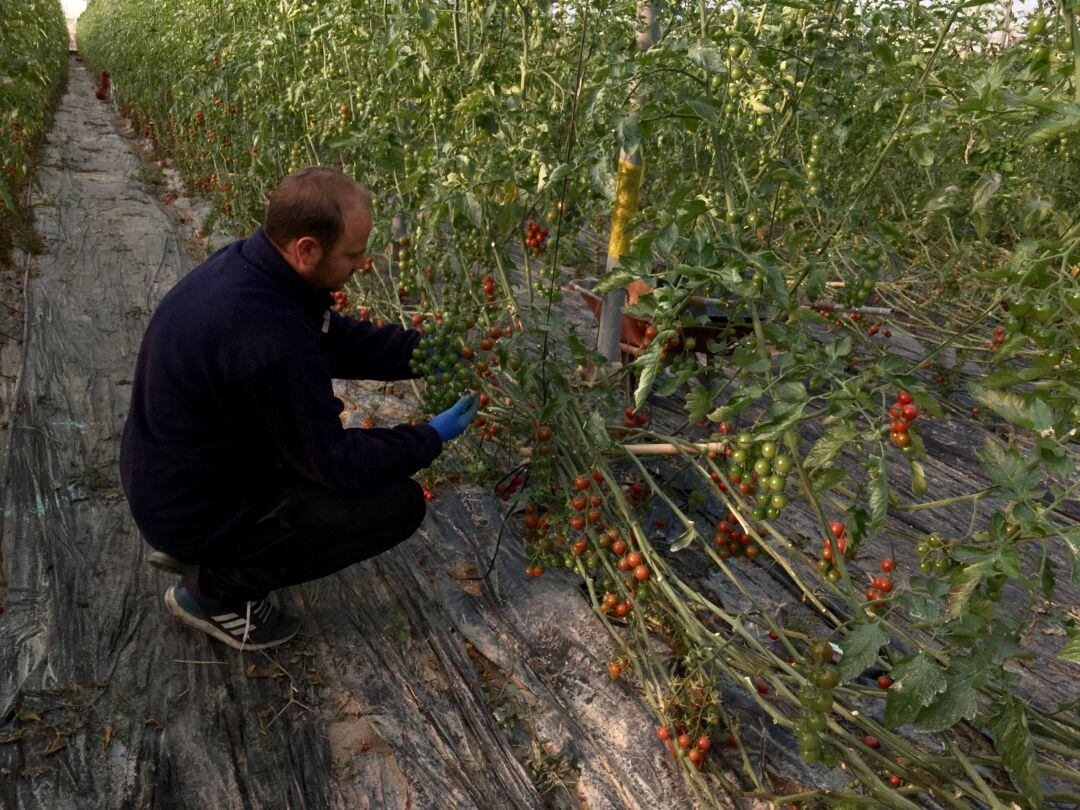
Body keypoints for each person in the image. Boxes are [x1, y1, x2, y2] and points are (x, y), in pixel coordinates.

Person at [119, 166, 478, 651]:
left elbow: (331, 337)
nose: (361, 263)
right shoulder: (268, 337)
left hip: (178, 476)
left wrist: (422, 352)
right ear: (307, 249)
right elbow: (335, 462)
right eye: (352, 253)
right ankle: (211, 592)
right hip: (189, 506)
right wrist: (428, 437)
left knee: (317, 470)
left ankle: (214, 550)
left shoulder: (255, 270)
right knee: (395, 506)